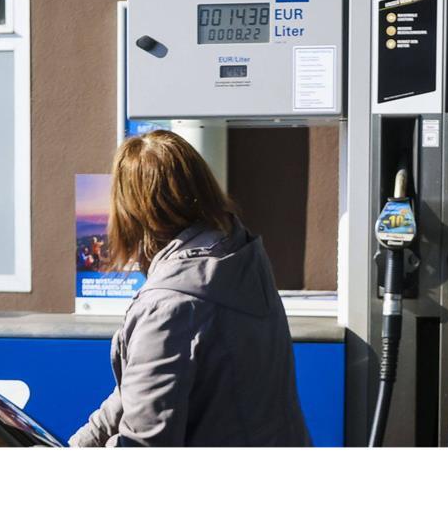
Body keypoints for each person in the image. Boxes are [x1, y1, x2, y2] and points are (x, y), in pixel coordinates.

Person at [69, 130, 310, 447]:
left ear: (134, 213)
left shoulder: (171, 304)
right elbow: (136, 390)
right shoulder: (238, 261)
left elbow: (143, 443)